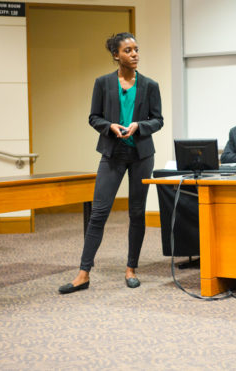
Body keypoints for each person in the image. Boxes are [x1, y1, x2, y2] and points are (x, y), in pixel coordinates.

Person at [59, 32, 163, 294]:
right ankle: (83, 274)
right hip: (112, 154)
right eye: (128, 50)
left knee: (137, 213)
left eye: (136, 49)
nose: (135, 54)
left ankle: (131, 269)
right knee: (98, 213)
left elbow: (158, 120)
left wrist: (140, 125)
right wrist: (109, 126)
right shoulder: (103, 83)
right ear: (116, 55)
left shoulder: (150, 85)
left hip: (141, 155)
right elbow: (93, 117)